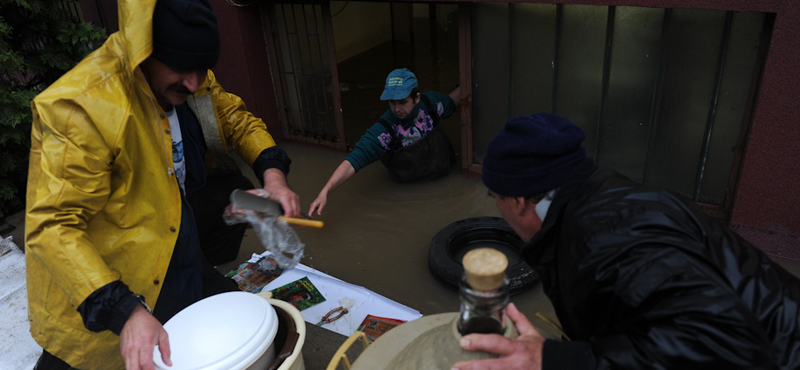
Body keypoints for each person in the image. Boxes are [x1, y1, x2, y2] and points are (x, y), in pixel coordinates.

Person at [25, 0, 300, 369]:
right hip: (103, 278)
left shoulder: (192, 76)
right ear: (144, 52)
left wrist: (273, 175)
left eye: (202, 69)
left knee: (241, 313)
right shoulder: (81, 107)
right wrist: (125, 311)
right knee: (91, 357)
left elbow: (236, 119)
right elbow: (53, 227)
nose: (194, 82)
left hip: (172, 233)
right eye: (182, 69)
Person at [452, 113, 800, 370]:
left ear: (519, 201)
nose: (496, 207)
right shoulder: (601, 191)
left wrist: (554, 359)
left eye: (493, 195)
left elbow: (725, 346)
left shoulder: (607, 239)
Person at [309, 68, 460, 215]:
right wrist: (325, 191)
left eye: (402, 102)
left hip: (447, 179)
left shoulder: (431, 104)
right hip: (410, 197)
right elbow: (353, 162)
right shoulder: (384, 131)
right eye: (392, 102)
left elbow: (453, 102)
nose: (397, 108)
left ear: (417, 97)